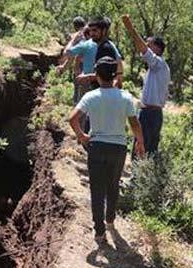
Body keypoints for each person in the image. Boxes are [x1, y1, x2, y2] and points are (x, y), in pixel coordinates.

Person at [68, 56, 145, 242]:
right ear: (114, 75)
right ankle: (110, 220)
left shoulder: (91, 96)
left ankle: (99, 231)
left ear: (96, 74)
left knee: (97, 189)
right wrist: (140, 142)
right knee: (113, 186)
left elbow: (72, 119)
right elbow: (134, 123)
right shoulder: (125, 97)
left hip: (96, 146)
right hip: (118, 148)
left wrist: (82, 136)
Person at [60, 17, 124, 133]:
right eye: (90, 31)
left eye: (95, 31)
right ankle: (84, 137)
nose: (92, 34)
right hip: (95, 86)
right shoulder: (90, 44)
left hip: (101, 87)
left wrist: (87, 77)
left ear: (104, 31)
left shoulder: (107, 48)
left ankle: (88, 139)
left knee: (93, 116)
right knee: (87, 115)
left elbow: (110, 70)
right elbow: (70, 54)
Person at [122, 14, 170, 157]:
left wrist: (130, 28)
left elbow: (143, 49)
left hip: (150, 114)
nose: (146, 47)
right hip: (152, 113)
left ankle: (137, 178)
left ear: (157, 48)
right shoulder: (157, 67)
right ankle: (141, 178)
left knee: (142, 147)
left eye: (150, 45)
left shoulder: (159, 64)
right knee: (147, 148)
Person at [56, 16, 87, 105]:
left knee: (78, 93)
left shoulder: (78, 36)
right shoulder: (91, 33)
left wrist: (63, 68)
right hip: (94, 68)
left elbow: (70, 54)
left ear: (75, 26)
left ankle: (76, 108)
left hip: (81, 67)